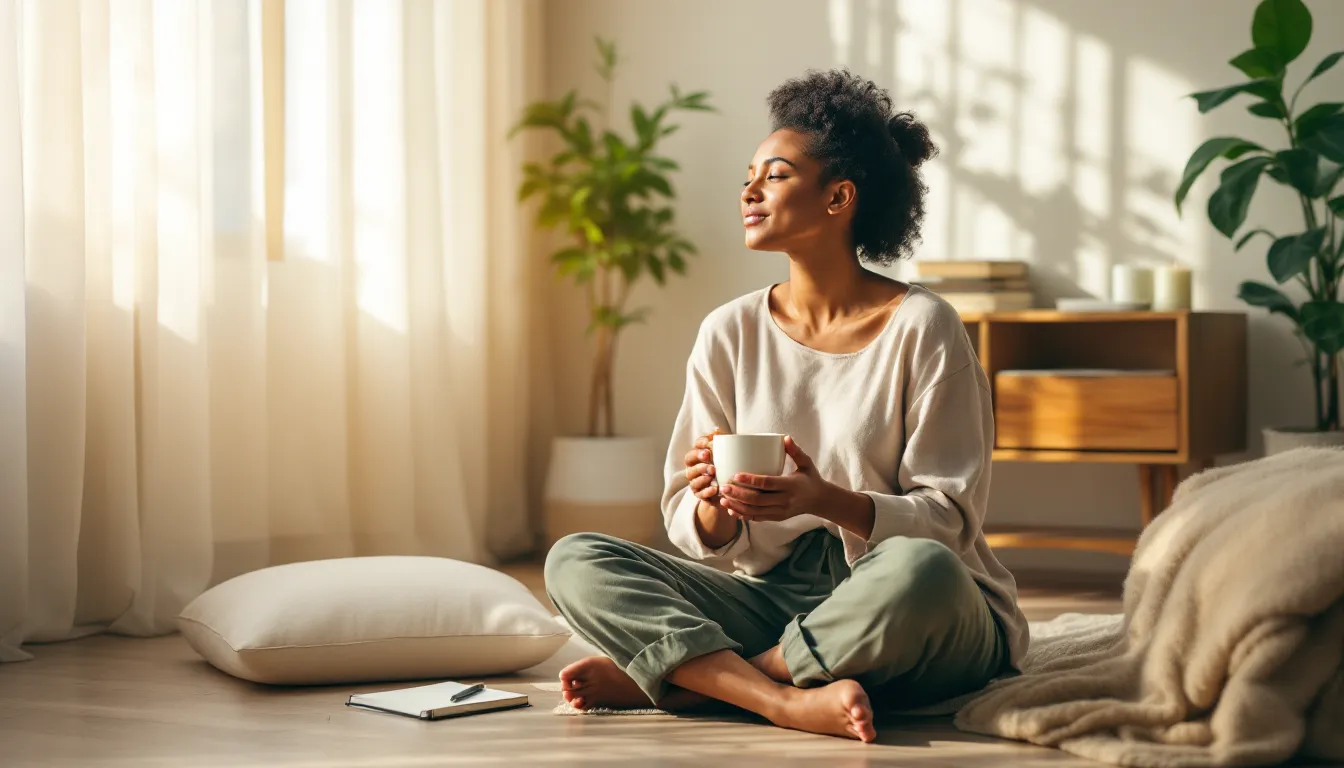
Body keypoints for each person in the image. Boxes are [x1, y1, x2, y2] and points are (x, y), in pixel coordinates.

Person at [544, 69, 1029, 743]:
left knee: (923, 571)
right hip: (771, 595)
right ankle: (783, 696)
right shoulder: (729, 330)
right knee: (575, 559)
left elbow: (947, 522)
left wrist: (822, 499)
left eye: (773, 175)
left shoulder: (925, 325)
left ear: (839, 197)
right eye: (749, 176)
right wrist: (713, 501)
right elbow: (690, 525)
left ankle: (713, 680)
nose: (748, 191)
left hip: (909, 600)